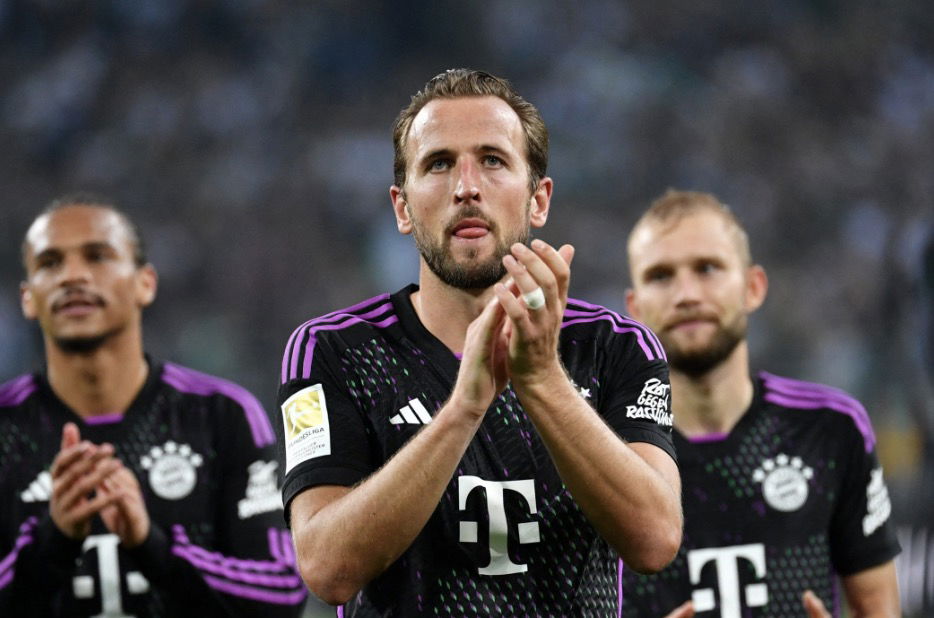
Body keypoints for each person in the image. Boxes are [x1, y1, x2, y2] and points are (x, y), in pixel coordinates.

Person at [277, 68, 682, 616]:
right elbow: (328, 569)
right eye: (439, 163)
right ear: (402, 207)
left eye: (492, 160)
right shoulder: (331, 352)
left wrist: (540, 380)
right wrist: (462, 409)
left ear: (539, 200)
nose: (466, 186)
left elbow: (655, 539)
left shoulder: (616, 348)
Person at [0, 194, 307, 616]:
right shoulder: (7, 427)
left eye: (97, 256)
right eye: (50, 263)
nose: (72, 276)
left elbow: (282, 595)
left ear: (145, 283)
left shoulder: (221, 415)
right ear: (28, 298)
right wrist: (51, 541)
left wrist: (152, 545)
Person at [622, 189, 901, 618]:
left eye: (708, 268)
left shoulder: (830, 429)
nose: (687, 294)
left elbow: (879, 607)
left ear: (753, 287)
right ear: (634, 308)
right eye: (661, 275)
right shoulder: (605, 450)